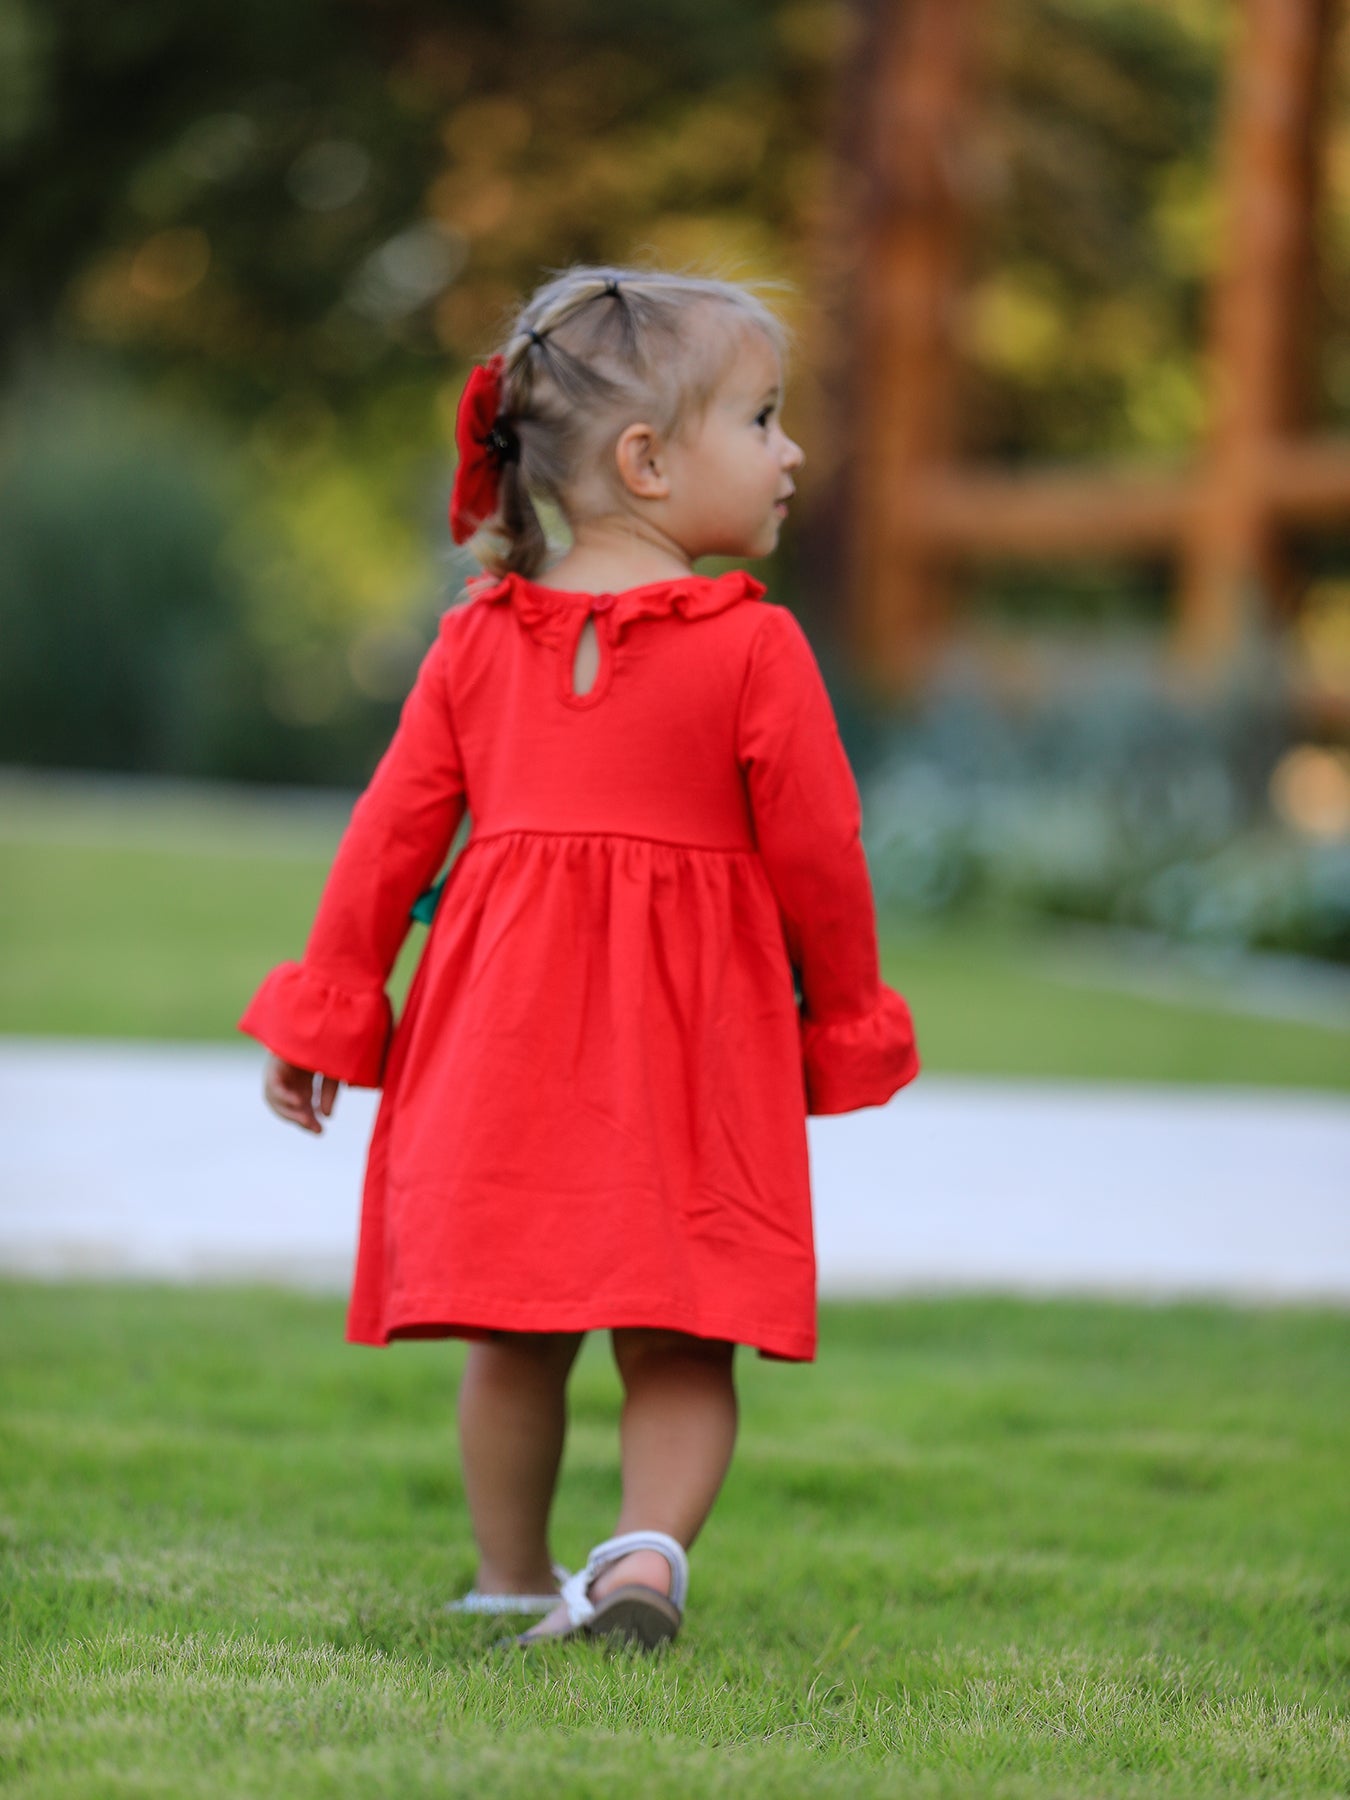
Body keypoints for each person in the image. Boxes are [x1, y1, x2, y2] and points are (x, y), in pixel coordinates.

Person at [238, 264, 920, 1651]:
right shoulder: (757, 650)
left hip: (502, 1033)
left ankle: (508, 1574)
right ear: (648, 462)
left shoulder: (474, 643)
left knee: (514, 1322)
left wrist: (330, 1008)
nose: (791, 454)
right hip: (693, 1041)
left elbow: (386, 840)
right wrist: (840, 1014)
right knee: (683, 1327)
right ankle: (644, 1559)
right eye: (764, 419)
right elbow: (820, 854)